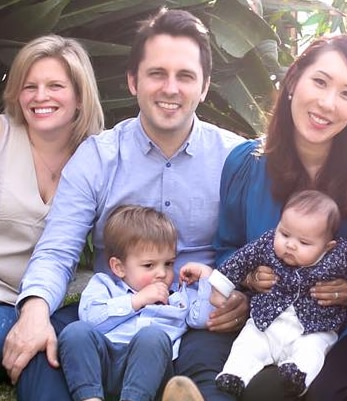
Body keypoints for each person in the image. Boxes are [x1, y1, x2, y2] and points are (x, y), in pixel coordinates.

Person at [3, 8, 247, 401]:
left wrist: (242, 295)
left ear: (203, 87)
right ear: (133, 80)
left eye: (185, 76)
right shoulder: (98, 157)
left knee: (213, 380)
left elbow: (261, 247)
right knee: (45, 351)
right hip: (114, 310)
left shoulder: (234, 160)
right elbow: (58, 247)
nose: (171, 88)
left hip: (198, 317)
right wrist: (33, 311)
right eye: (157, 74)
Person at [214, 35, 347, 401]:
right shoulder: (244, 164)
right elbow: (226, 246)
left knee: (272, 392)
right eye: (320, 81)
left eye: (346, 94)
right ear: (293, 81)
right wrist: (246, 279)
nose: (327, 103)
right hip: (262, 323)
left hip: (337, 331)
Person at [0, 34, 104, 381]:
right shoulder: (2, 136)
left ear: (79, 96)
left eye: (55, 85)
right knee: (40, 358)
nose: (40, 97)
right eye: (30, 86)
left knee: (54, 352)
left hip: (48, 303)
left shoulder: (99, 157)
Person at [210, 189, 347, 398]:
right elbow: (239, 261)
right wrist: (219, 289)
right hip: (266, 321)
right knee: (247, 344)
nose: (290, 245)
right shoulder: (267, 244)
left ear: (328, 245)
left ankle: (298, 375)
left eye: (304, 243)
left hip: (314, 327)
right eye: (285, 234)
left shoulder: (340, 254)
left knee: (313, 352)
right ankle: (235, 375)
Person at [59, 205, 215, 401]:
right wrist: (136, 301)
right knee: (75, 332)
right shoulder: (104, 286)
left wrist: (207, 278)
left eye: (168, 264)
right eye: (149, 265)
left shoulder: (176, 297)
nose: (162, 273)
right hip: (105, 362)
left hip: (150, 374)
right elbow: (91, 319)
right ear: (119, 267)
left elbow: (202, 319)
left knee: (152, 337)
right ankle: (89, 397)